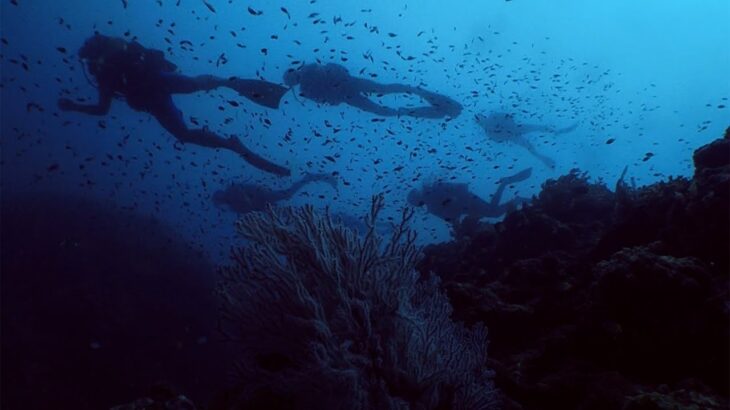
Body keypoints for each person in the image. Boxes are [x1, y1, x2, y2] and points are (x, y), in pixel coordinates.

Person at [58, 33, 291, 176]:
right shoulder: (115, 57)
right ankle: (228, 84)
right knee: (195, 88)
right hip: (158, 84)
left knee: (185, 134)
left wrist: (73, 106)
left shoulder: (103, 74)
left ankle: (230, 144)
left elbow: (102, 110)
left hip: (152, 95)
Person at [283, 63, 462, 118]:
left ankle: (411, 101)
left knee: (381, 96)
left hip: (349, 89)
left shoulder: (310, 73)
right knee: (381, 97)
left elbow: (330, 100)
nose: (297, 78)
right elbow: (339, 70)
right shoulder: (308, 83)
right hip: (350, 89)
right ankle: (412, 97)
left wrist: (336, 90)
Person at [407, 167, 533, 225]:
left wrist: (458, 201)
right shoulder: (431, 207)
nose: (420, 203)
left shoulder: (433, 190)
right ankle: (508, 187)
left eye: (417, 201)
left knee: (493, 212)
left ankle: (509, 190)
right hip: (466, 209)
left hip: (468, 200)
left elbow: (459, 188)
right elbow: (451, 219)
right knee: (493, 211)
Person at [475, 112, 577, 169]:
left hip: (515, 130)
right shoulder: (488, 131)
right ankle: (545, 159)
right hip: (514, 134)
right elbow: (507, 117)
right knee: (530, 145)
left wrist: (508, 127)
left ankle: (558, 131)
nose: (481, 120)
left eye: (479, 118)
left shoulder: (492, 119)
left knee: (537, 129)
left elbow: (507, 117)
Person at [212, 173, 338, 214]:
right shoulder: (232, 206)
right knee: (290, 212)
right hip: (263, 206)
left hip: (263, 196)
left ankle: (310, 178)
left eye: (219, 199)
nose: (221, 201)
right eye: (219, 202)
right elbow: (246, 211)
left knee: (287, 194)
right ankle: (318, 215)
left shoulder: (232, 190)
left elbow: (245, 196)